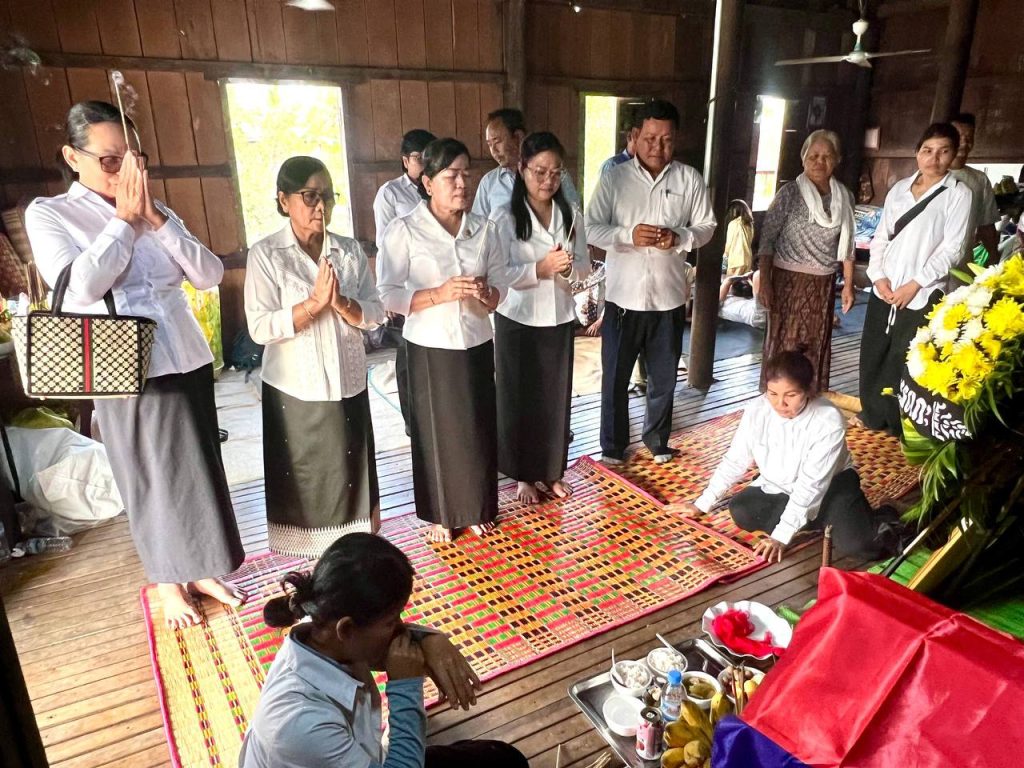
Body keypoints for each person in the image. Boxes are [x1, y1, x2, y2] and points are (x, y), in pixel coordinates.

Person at [25, 101, 245, 628]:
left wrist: (156, 220)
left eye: (132, 160)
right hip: (122, 364)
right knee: (150, 475)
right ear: (72, 157)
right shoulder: (50, 213)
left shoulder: (156, 208)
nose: (123, 171)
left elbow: (209, 275)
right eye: (109, 160)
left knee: (197, 469)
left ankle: (200, 569)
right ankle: (168, 581)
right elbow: (80, 287)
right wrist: (123, 221)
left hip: (184, 354)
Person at [239, 533, 529, 768]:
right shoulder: (301, 726)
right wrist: (405, 687)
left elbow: (383, 646)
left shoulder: (320, 626)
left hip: (365, 753)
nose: (401, 627)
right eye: (392, 621)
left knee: (504, 760)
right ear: (346, 629)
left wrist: (430, 638)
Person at [245, 156, 386, 558]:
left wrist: (340, 303)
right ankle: (314, 561)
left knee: (350, 474)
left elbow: (375, 313)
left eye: (327, 196)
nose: (321, 206)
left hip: (348, 382)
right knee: (309, 479)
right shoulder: (267, 254)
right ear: (283, 200)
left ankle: (353, 553)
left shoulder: (348, 250)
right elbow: (260, 327)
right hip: (296, 389)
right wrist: (312, 304)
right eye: (309, 196)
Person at [378, 139, 509, 543]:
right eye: (452, 175)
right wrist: (439, 294)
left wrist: (487, 294)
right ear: (428, 182)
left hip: (475, 341)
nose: (462, 183)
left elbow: (501, 289)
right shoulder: (405, 230)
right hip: (429, 346)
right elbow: (387, 295)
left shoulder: (485, 230)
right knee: (436, 432)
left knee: (476, 428)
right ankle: (442, 514)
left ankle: (476, 507)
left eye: (467, 174)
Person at [585, 99, 716, 465]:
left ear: (676, 139)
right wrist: (627, 235)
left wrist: (679, 237)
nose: (658, 147)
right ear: (634, 136)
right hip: (622, 301)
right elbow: (591, 227)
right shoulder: (615, 179)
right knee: (615, 378)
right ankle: (613, 446)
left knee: (663, 379)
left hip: (668, 300)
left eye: (667, 139)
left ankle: (657, 440)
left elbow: (707, 227)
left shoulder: (689, 179)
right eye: (650, 138)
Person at [674, 350, 884, 563]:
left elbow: (812, 484)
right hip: (782, 486)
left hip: (832, 485)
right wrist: (702, 503)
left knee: (862, 547)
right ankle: (820, 518)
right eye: (772, 393)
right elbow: (735, 459)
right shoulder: (757, 410)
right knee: (742, 510)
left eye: (791, 395)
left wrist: (781, 536)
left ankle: (883, 512)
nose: (780, 404)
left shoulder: (827, 419)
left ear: (808, 390)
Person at [491, 132, 591, 504]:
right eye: (539, 172)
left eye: (555, 172)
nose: (548, 180)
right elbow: (497, 274)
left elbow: (584, 268)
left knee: (555, 398)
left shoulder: (571, 214)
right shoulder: (504, 217)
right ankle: (523, 476)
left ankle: (551, 471)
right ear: (522, 169)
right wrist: (540, 268)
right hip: (517, 317)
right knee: (519, 398)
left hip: (559, 315)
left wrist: (567, 270)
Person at [855, 122, 971, 435]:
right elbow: (881, 237)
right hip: (886, 286)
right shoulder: (899, 189)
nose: (934, 158)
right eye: (927, 150)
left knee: (905, 356)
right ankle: (872, 413)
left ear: (953, 155)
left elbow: (953, 249)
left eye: (943, 151)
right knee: (874, 350)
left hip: (922, 290)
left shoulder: (958, 194)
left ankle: (898, 422)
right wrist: (878, 277)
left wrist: (915, 284)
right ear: (917, 152)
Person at [758, 130, 856, 393]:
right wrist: (765, 282)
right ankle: (778, 397)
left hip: (822, 284)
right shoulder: (789, 194)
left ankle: (809, 396)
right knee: (785, 345)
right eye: (813, 156)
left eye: (826, 156)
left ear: (837, 160)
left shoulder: (844, 197)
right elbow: (767, 240)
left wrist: (848, 285)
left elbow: (847, 244)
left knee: (814, 342)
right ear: (803, 158)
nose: (819, 162)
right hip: (787, 283)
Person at [373, 129, 437, 435]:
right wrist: (388, 292)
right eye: (418, 157)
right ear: (405, 160)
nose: (424, 163)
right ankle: (414, 422)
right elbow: (383, 244)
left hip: (436, 281)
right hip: (406, 286)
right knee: (408, 353)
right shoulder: (390, 194)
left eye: (429, 157)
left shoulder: (439, 187)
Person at [471, 108, 579, 218]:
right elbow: (478, 225)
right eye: (489, 144)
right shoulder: (489, 183)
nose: (493, 150)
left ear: (518, 137)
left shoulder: (556, 175)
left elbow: (574, 217)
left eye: (497, 141)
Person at [949, 112, 1000, 267]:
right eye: (959, 136)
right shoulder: (930, 176)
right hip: (924, 268)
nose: (964, 142)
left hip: (962, 263)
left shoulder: (979, 179)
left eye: (969, 137)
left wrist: (993, 255)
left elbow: (986, 224)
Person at [723, 199, 754, 276]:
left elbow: (729, 243)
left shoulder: (733, 224)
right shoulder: (750, 225)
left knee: (730, 283)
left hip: (735, 262)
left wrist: (725, 256)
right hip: (748, 260)